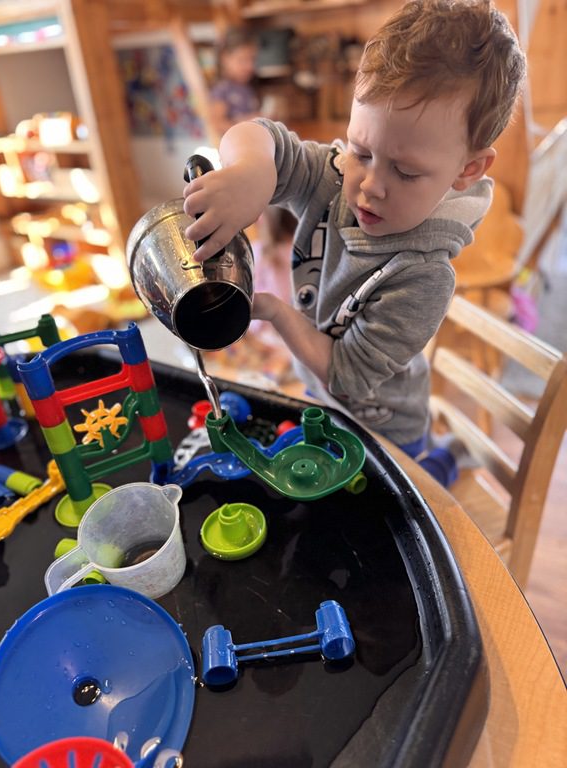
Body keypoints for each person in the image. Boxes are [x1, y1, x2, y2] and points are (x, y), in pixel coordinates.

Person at [183, 0, 526, 486]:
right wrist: (252, 171)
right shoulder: (333, 178)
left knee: (413, 493)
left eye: (405, 171)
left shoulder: (423, 275)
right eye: (362, 151)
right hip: (322, 402)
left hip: (386, 433)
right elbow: (259, 136)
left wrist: (277, 312)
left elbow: (346, 375)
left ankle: (445, 457)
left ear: (468, 169)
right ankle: (444, 453)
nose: (370, 185)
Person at [209, 27, 262, 138]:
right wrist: (246, 124)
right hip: (237, 145)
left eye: (253, 59)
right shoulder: (222, 89)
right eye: (242, 60)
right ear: (224, 59)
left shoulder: (247, 86)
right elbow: (217, 124)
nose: (250, 66)